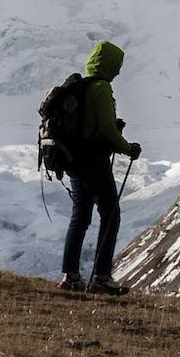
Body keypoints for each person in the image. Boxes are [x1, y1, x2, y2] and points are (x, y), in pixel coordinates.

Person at [60, 40, 145, 294]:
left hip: (74, 161)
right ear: (108, 65)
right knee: (110, 214)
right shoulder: (102, 89)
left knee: (80, 217)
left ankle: (70, 276)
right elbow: (107, 129)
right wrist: (128, 147)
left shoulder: (82, 87)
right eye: (117, 65)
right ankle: (102, 278)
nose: (118, 71)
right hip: (94, 161)